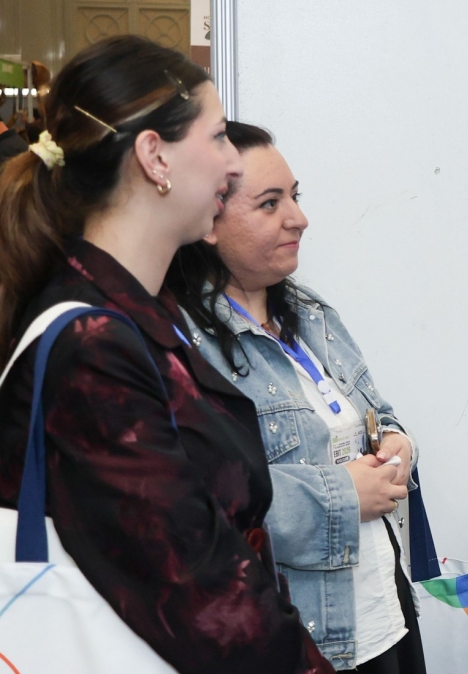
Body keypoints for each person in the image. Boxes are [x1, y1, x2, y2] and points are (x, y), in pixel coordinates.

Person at [0, 36, 335, 673]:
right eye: (218, 137)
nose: (232, 163)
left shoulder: (139, 314)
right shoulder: (93, 345)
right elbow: (202, 592)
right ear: (155, 157)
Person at [167, 122, 430, 674]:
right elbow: (202, 501)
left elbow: (376, 415)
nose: (299, 218)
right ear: (209, 220)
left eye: (295, 195)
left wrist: (397, 445)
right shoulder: (184, 348)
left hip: (383, 611)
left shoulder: (311, 314)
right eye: (270, 204)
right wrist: (342, 497)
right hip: (302, 639)